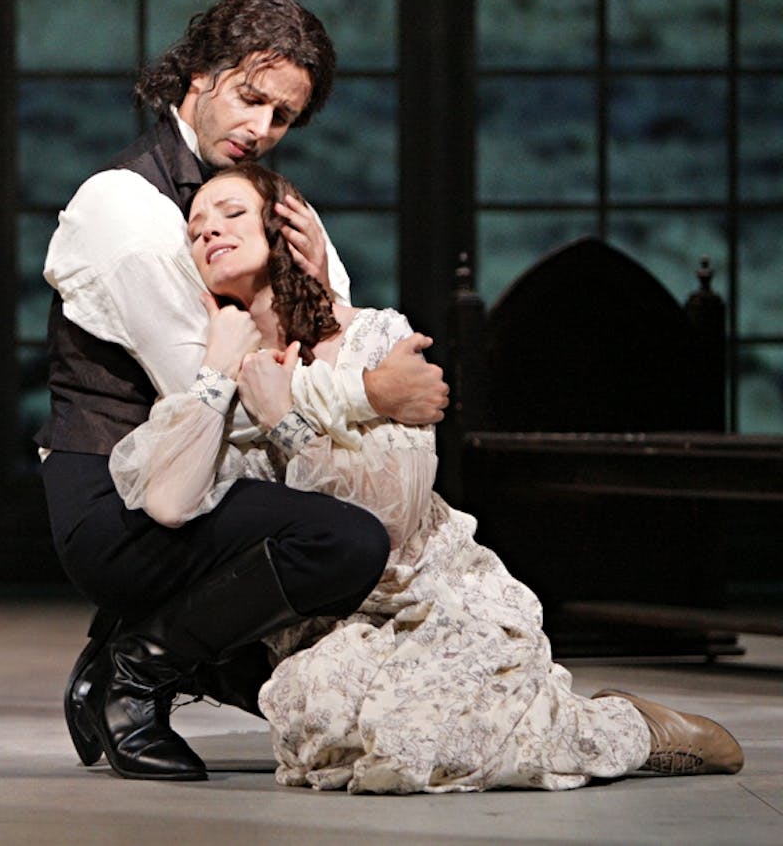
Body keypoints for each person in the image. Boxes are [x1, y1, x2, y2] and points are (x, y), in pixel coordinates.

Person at [109, 162, 745, 792]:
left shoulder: (371, 337)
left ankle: (633, 729)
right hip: (322, 623)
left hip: (428, 589)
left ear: (285, 228)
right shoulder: (215, 367)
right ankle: (583, 724)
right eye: (195, 230)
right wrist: (220, 370)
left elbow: (390, 516)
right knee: (335, 731)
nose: (209, 232)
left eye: (232, 214)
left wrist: (285, 420)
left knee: (426, 739)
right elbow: (166, 500)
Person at [37, 0, 450, 782]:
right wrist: (373, 391)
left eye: (284, 115)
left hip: (219, 479)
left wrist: (328, 293)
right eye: (250, 98)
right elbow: (216, 394)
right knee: (344, 542)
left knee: (379, 690)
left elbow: (318, 341)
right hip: (126, 500)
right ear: (196, 79)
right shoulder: (124, 206)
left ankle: (158, 652)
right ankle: (135, 671)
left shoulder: (262, 195)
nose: (261, 128)